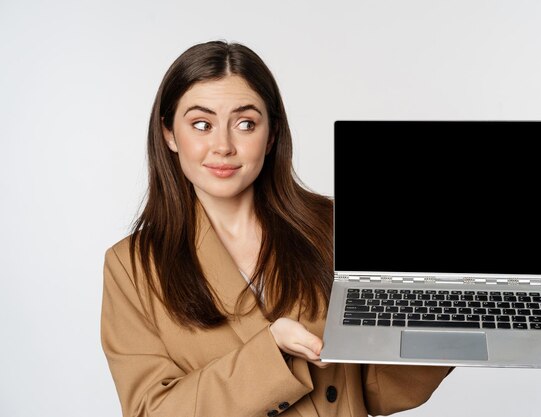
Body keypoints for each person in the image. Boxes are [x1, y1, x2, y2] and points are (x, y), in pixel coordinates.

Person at [101, 40, 453, 417]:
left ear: (270, 136)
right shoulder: (133, 267)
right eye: (201, 124)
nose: (223, 146)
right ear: (169, 133)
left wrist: (444, 323)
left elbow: (374, 390)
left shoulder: (328, 227)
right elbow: (149, 411)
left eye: (245, 124)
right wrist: (272, 353)